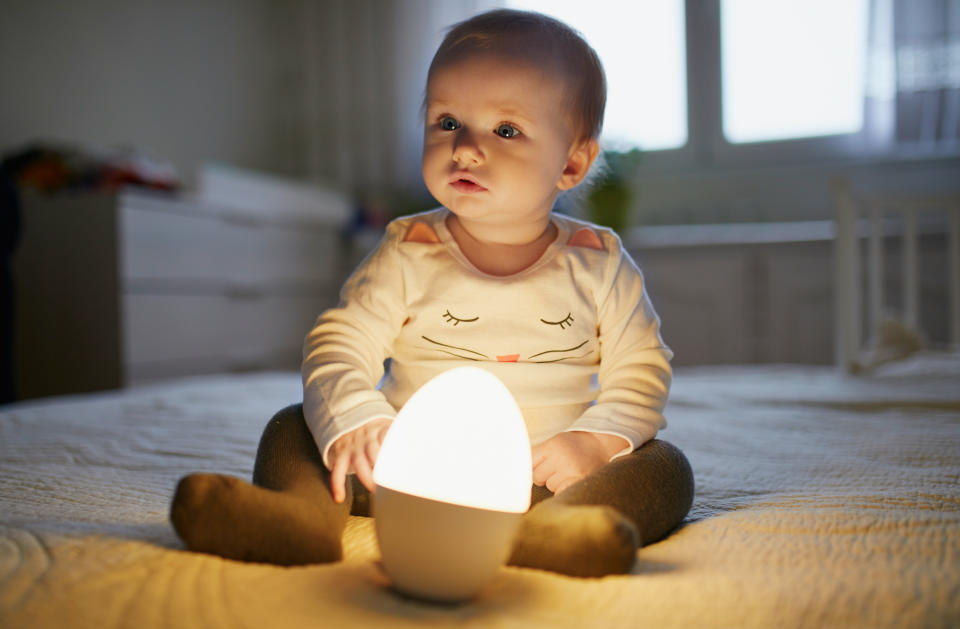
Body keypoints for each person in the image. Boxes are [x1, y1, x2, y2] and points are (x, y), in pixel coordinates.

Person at [171, 8, 693, 578]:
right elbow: (338, 343)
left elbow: (641, 368)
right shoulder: (408, 248)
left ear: (571, 162)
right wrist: (359, 419)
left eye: (506, 130)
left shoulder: (598, 260)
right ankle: (299, 522)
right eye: (447, 122)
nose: (466, 148)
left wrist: (592, 443)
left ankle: (556, 535)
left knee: (662, 466)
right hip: (403, 474)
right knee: (295, 424)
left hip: (542, 482)